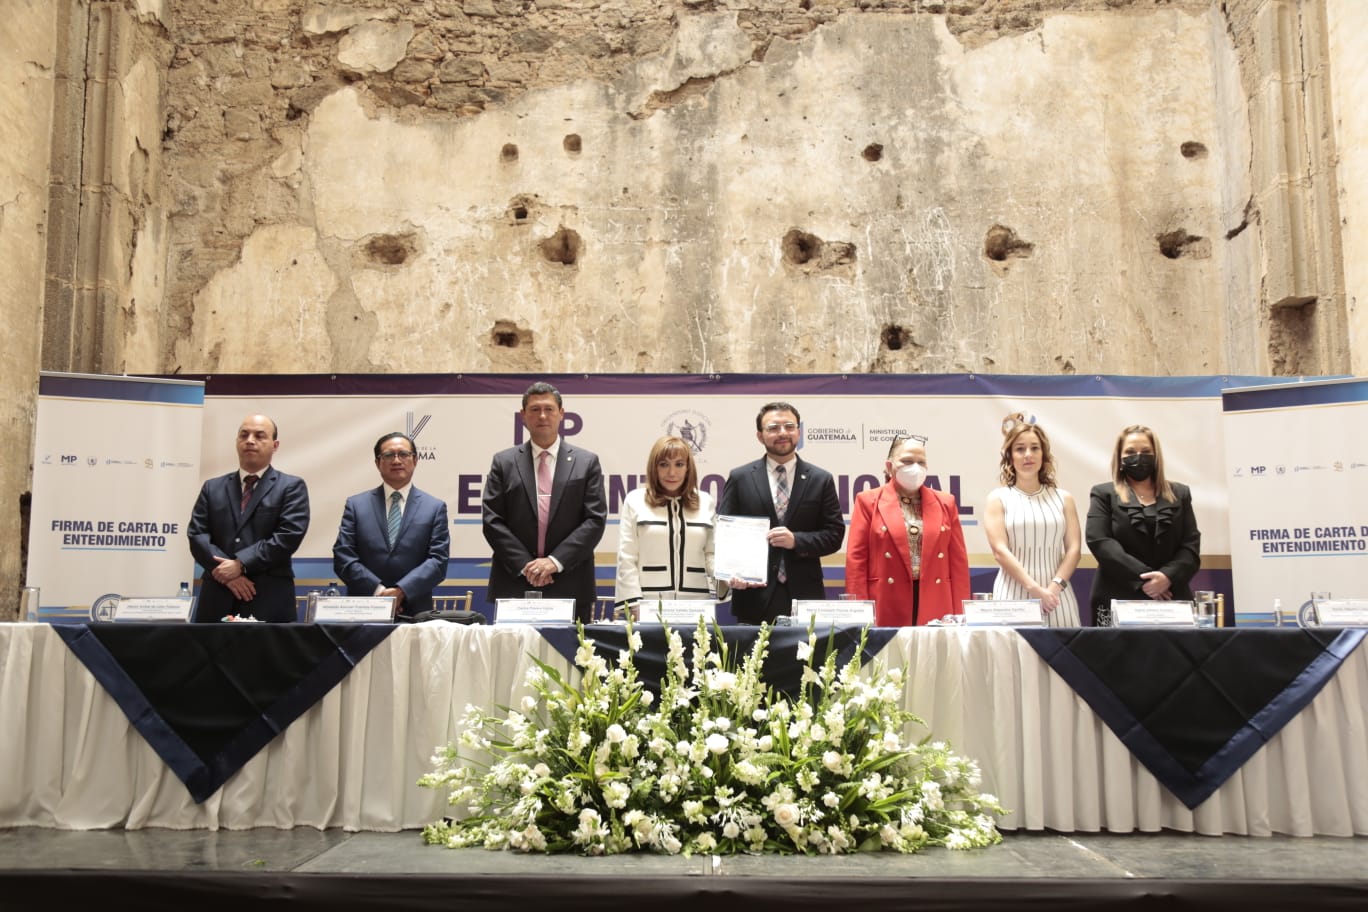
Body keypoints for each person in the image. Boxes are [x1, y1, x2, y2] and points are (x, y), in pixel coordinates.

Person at [482, 382, 607, 623]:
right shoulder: (503, 462)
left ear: (561, 414)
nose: (542, 416)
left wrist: (553, 562)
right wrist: (527, 566)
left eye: (549, 409)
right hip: (515, 581)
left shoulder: (587, 462)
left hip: (570, 581)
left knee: (571, 649)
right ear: (523, 416)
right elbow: (492, 520)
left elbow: (594, 520)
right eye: (535, 409)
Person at [718, 401, 845, 624]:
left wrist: (796, 540)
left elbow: (834, 535)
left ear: (799, 432)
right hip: (753, 595)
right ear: (760, 436)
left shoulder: (820, 479)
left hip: (805, 595)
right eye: (773, 428)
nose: (783, 433)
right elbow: (725, 533)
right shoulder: (740, 478)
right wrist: (732, 573)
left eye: (789, 426)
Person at [187, 414, 310, 622]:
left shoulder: (291, 487)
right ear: (237, 441)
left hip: (268, 596)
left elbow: (288, 536)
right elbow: (197, 535)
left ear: (275, 445)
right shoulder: (212, 487)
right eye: (244, 435)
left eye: (259, 436)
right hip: (218, 593)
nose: (250, 440)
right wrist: (227, 574)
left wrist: (241, 564)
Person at [845, 435, 969, 625]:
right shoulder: (867, 501)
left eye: (921, 462)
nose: (915, 468)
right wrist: (859, 613)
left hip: (935, 599)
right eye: (907, 461)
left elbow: (958, 563)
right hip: (886, 600)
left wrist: (961, 614)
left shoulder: (946, 502)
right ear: (889, 466)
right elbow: (856, 561)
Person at [1086, 424, 1201, 621]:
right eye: (1130, 452)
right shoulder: (1103, 494)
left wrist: (1167, 578)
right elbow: (1100, 541)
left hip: (1171, 597)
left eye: (1146, 452)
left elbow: (1190, 545)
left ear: (1156, 456)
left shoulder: (1180, 493)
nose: (1138, 457)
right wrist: (1147, 580)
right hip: (1117, 595)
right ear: (1120, 457)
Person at [332, 432, 451, 619]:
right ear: (377, 463)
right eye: (388, 455)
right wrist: (379, 592)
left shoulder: (434, 507)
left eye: (403, 454)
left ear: (415, 460)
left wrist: (401, 591)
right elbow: (343, 556)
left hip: (415, 612)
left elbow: (438, 561)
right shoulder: (356, 505)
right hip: (364, 609)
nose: (396, 460)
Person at [983, 413, 1082, 627]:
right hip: (1012, 595)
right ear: (1010, 456)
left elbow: (1074, 550)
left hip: (1058, 597)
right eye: (1020, 449)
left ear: (1043, 454)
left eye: (1035, 448)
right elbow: (1000, 551)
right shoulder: (997, 499)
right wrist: (1035, 590)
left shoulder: (1064, 498)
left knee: (1062, 649)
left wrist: (1054, 588)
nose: (1028, 454)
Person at [615, 436, 723, 613]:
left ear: (688, 468)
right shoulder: (635, 500)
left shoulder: (705, 502)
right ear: (654, 467)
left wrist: (728, 578)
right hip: (648, 604)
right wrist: (633, 604)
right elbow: (627, 557)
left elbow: (711, 554)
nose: (672, 473)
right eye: (664, 464)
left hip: (696, 606)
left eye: (679, 464)